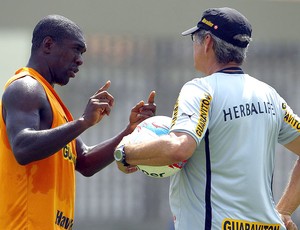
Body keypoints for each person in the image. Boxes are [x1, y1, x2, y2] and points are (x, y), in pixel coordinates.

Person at [115, 7, 300, 229]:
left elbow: (179, 148)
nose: (194, 44)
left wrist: (125, 152)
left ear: (208, 42)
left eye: (195, 38)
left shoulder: (200, 90)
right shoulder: (269, 95)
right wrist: (284, 211)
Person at [0, 14, 156, 229]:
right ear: (48, 44)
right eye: (76, 49)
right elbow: (23, 148)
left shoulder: (52, 100)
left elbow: (84, 161)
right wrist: (83, 122)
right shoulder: (26, 87)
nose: (80, 60)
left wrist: (129, 131)